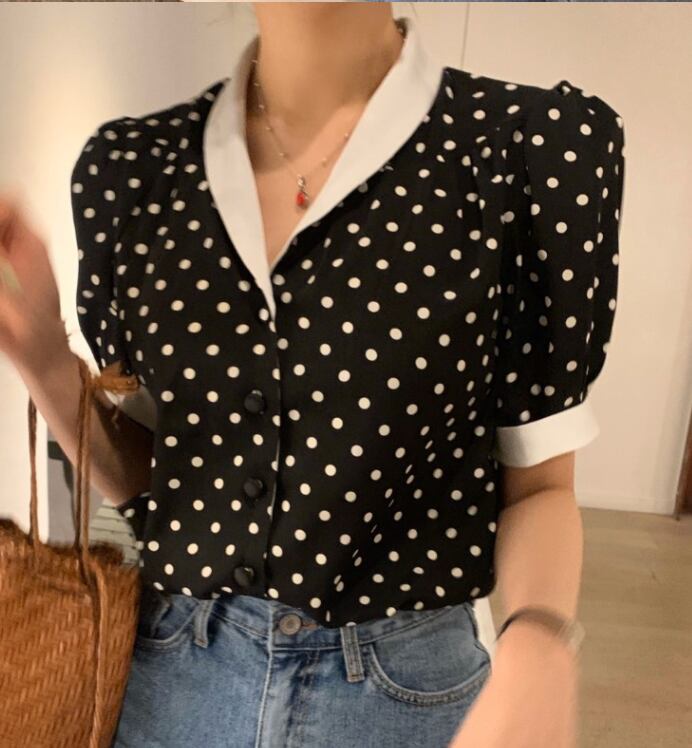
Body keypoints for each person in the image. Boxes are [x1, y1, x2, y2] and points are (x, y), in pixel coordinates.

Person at [0, 3, 624, 747]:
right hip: (172, 685)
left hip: (403, 695)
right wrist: (45, 360)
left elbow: (541, 487)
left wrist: (540, 644)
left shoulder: (519, 152)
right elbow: (160, 483)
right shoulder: (134, 173)